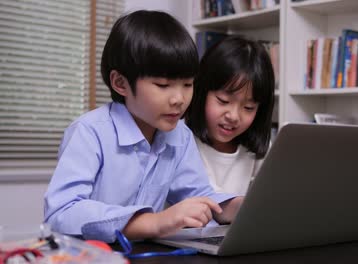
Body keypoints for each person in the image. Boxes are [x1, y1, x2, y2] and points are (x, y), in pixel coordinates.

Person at [43, 10, 243, 243]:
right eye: (163, 84)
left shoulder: (180, 135)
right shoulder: (90, 132)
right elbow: (62, 212)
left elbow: (198, 196)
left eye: (188, 84)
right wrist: (154, 222)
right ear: (120, 83)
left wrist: (238, 207)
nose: (179, 98)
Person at [185, 36, 275, 195]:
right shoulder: (182, 140)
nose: (233, 116)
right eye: (223, 100)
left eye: (248, 107)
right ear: (201, 92)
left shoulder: (258, 148)